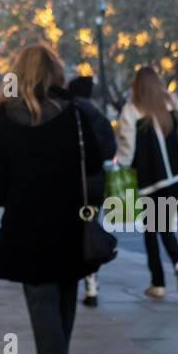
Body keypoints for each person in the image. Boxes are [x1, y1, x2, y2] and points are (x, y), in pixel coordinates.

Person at [0, 43, 93, 354]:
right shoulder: (73, 114)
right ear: (54, 74)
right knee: (65, 297)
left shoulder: (4, 119)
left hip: (27, 224)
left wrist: (10, 198)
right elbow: (93, 162)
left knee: (41, 300)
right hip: (70, 223)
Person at [116, 66, 178, 299]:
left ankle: (158, 281)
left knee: (151, 229)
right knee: (164, 223)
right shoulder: (171, 104)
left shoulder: (131, 110)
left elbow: (127, 148)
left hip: (148, 179)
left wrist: (124, 165)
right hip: (174, 177)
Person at [66, 75, 116, 308]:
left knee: (73, 232)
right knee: (90, 227)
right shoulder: (98, 116)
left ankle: (82, 280)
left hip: (72, 182)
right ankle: (91, 282)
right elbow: (109, 149)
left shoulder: (66, 114)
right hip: (95, 183)